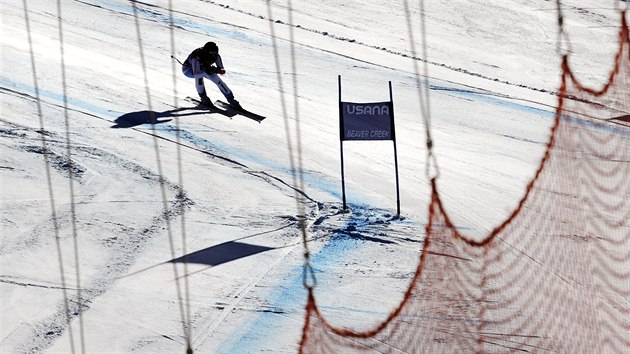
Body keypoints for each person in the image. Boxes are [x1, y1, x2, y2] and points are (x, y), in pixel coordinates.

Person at [182, 41, 241, 110]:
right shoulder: (196, 57)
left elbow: (221, 70)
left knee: (218, 81)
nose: (213, 55)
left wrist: (217, 70)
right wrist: (208, 71)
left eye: (215, 53)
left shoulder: (216, 56)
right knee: (200, 77)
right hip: (188, 70)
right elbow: (196, 74)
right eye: (211, 53)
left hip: (204, 69)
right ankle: (204, 98)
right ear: (206, 52)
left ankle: (231, 100)